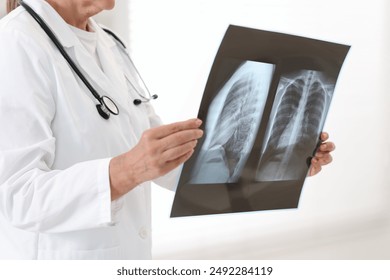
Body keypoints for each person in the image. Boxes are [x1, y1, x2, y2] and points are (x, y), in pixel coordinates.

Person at [0, 0, 334, 260]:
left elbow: (166, 164)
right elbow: (17, 197)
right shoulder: (16, 45)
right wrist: (127, 171)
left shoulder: (109, 44)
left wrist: (283, 158)